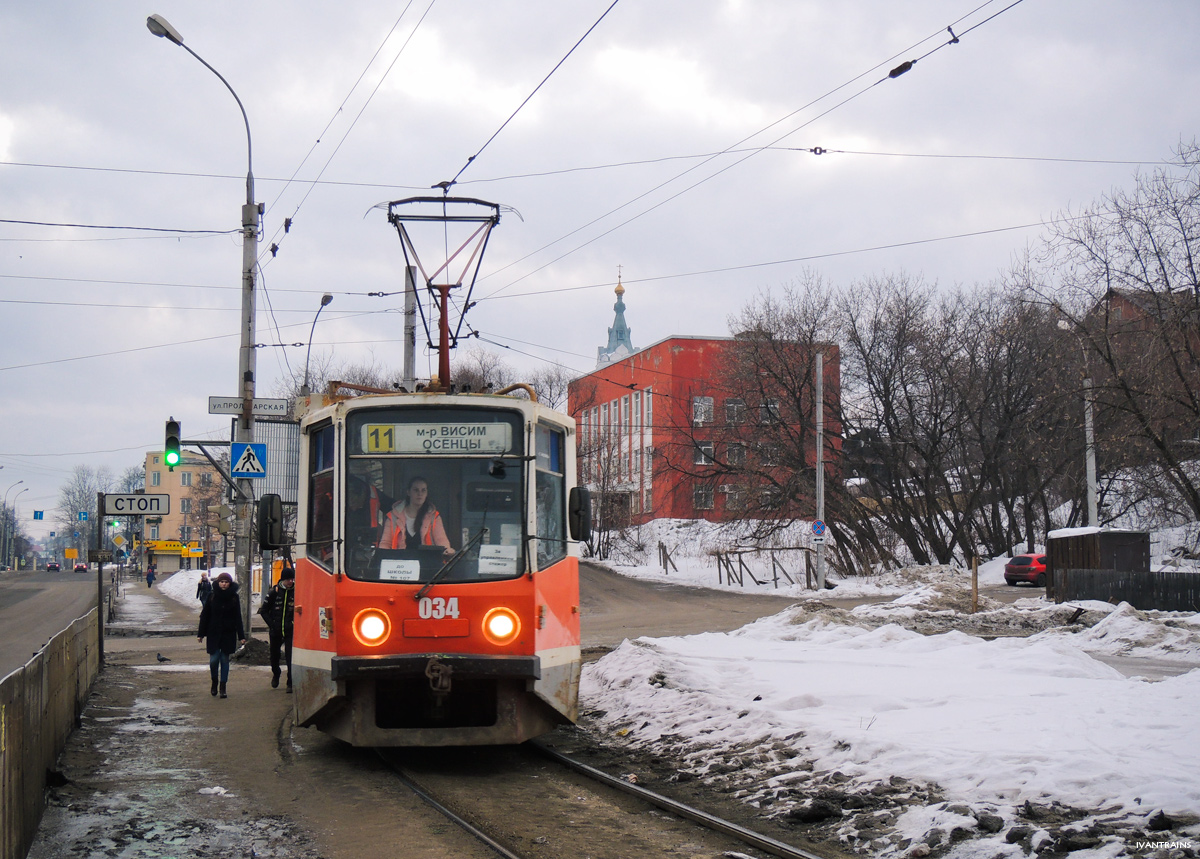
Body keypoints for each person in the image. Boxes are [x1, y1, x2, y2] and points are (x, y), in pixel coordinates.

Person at [197, 572, 246, 699]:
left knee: (224, 660)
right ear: (218, 583)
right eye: (222, 582)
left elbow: (238, 618)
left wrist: (241, 636)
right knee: (214, 660)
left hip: (228, 633)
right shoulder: (212, 596)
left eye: (226, 582)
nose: (224, 584)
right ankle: (214, 681)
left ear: (229, 583)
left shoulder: (234, 597)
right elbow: (205, 616)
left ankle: (223, 687)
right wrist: (201, 634)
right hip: (213, 632)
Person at [377, 476, 455, 555]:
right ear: (408, 492)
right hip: (399, 564)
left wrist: (447, 550)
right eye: (416, 490)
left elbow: (441, 540)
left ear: (426, 493)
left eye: (423, 490)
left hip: (427, 563)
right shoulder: (393, 516)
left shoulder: (434, 517)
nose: (420, 493)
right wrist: (382, 558)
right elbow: (385, 543)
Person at [258, 565, 295, 691]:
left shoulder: (296, 592)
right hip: (276, 631)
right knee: (274, 656)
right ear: (283, 580)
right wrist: (272, 625)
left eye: (292, 579)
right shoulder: (274, 592)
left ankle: (290, 682)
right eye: (288, 579)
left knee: (290, 657)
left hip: (290, 631)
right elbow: (264, 611)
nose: (291, 581)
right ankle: (276, 673)